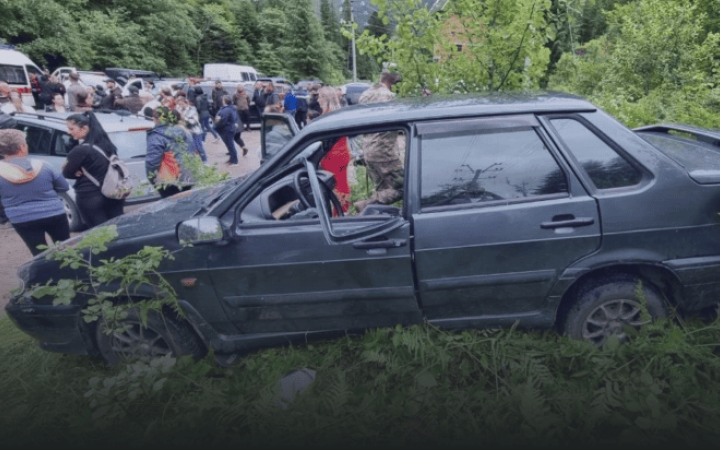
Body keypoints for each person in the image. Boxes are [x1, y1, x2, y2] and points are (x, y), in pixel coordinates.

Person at [0, 129, 70, 255]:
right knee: (65, 248)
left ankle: (47, 274)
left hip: (22, 218)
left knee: (39, 253)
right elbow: (64, 187)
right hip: (54, 213)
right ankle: (71, 273)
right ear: (22, 146)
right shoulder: (43, 165)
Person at [63, 112, 125, 227]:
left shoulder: (80, 150)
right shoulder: (108, 145)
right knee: (118, 227)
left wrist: (76, 171)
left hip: (90, 196)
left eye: (71, 128)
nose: (68, 132)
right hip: (114, 193)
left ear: (84, 128)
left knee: (99, 233)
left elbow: (67, 172)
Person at [354, 72, 404, 213]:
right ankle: (366, 205)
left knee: (383, 190)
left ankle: (377, 217)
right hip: (384, 151)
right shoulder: (389, 97)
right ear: (393, 80)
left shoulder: (366, 95)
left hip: (368, 149)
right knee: (403, 186)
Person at [145, 106, 195, 198]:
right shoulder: (182, 131)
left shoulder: (156, 135)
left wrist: (152, 179)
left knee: (171, 205)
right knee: (187, 203)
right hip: (187, 175)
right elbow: (191, 151)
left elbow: (152, 162)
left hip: (168, 179)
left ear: (155, 119)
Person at [317, 86, 350, 213]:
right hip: (340, 153)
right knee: (340, 184)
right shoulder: (337, 113)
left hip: (334, 155)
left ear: (326, 98)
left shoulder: (328, 114)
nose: (318, 100)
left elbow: (327, 140)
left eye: (320, 97)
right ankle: (340, 211)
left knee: (337, 186)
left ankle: (340, 213)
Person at [175, 94, 207, 163]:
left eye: (181, 104)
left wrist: (185, 119)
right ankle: (196, 163)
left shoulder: (192, 109)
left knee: (199, 147)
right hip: (188, 132)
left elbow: (195, 121)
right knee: (192, 149)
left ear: (186, 103)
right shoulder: (180, 110)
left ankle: (205, 161)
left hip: (196, 131)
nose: (181, 106)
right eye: (179, 105)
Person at [214, 95, 240, 165]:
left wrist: (217, 123)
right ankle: (232, 159)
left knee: (230, 145)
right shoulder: (231, 108)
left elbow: (223, 120)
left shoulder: (226, 110)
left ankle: (234, 160)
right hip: (230, 128)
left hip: (227, 129)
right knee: (229, 145)